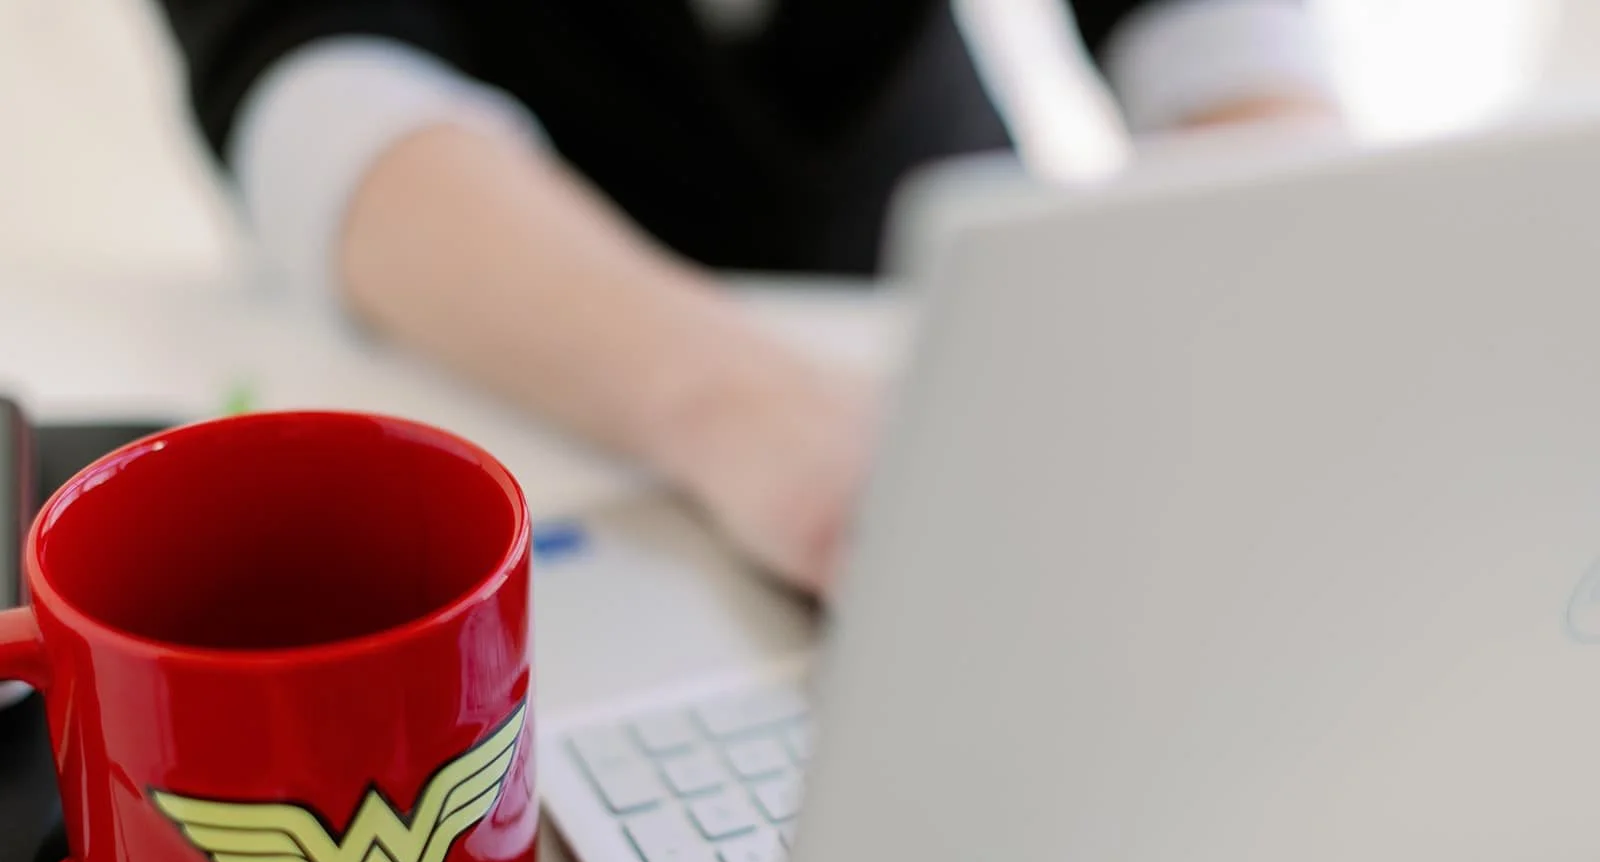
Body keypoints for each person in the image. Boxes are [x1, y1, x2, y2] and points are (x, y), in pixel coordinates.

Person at [153, 0, 1339, 594]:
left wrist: (1309, 251)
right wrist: (744, 409)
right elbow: (308, 76)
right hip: (506, 311)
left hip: (933, 235)